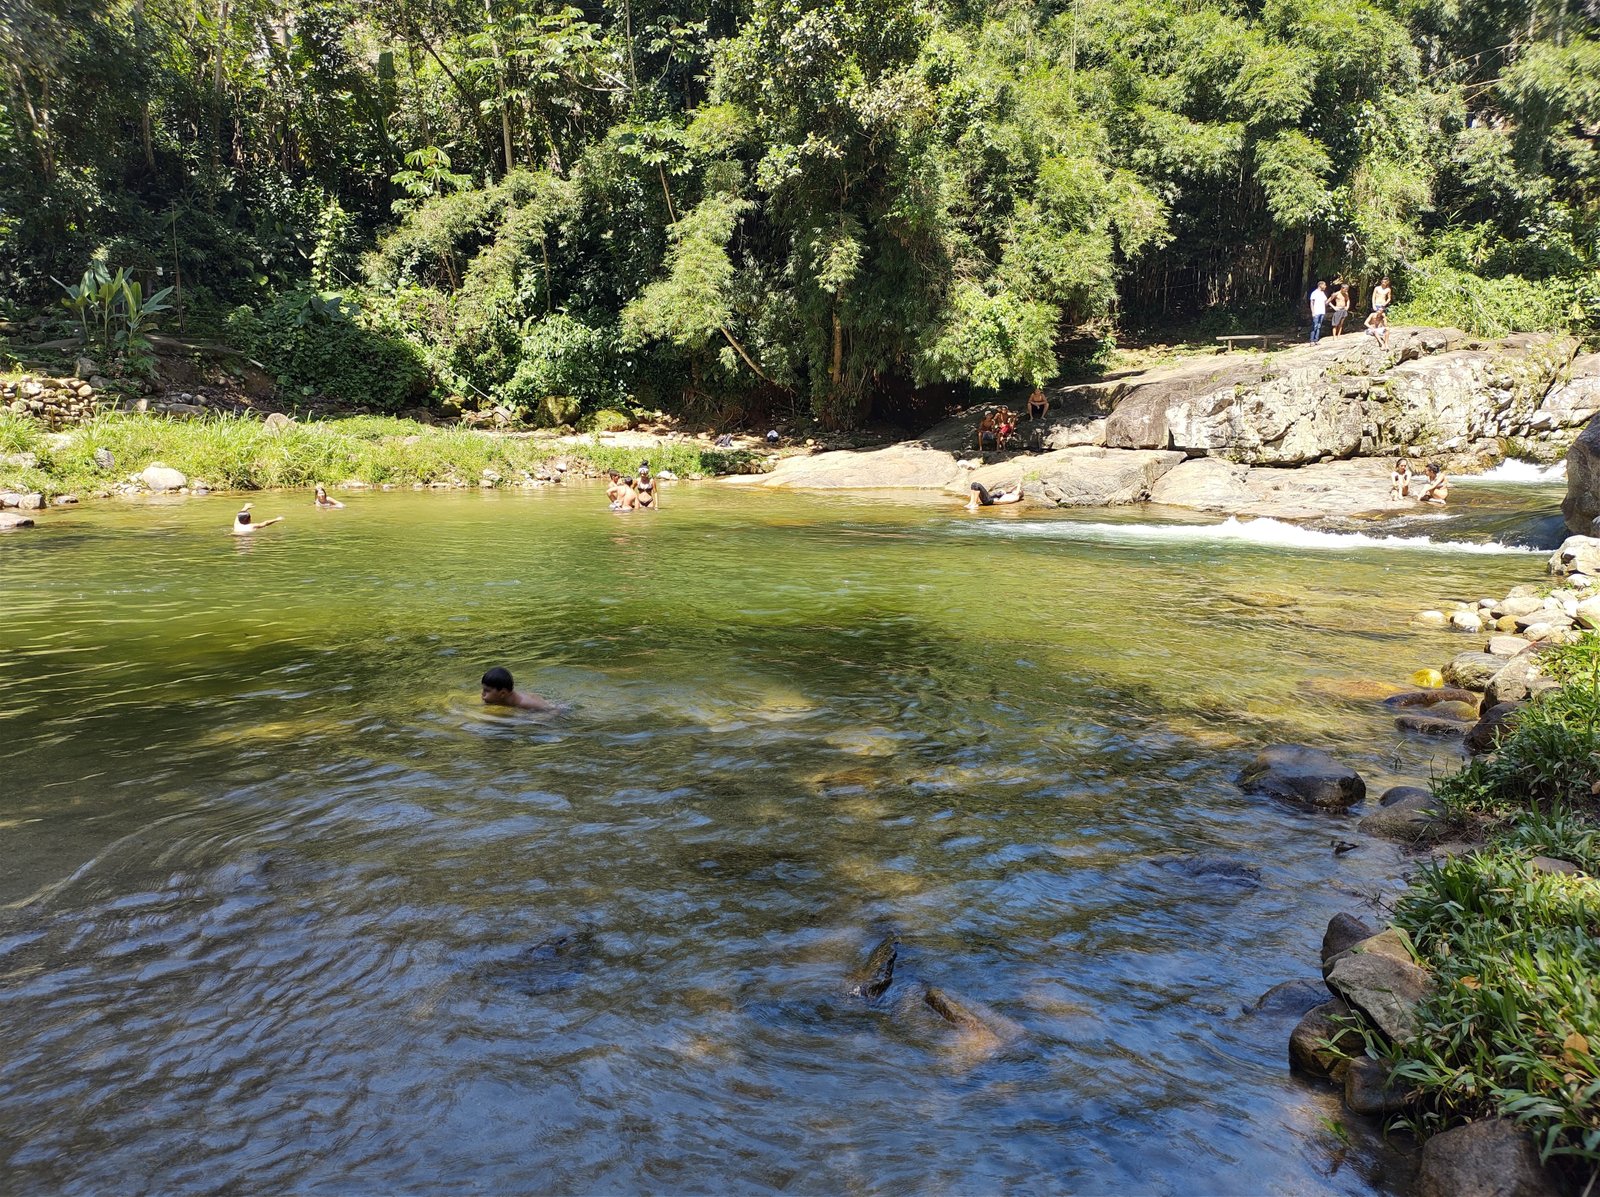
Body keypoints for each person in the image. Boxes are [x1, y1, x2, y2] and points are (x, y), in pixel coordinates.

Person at [480, 666, 559, 712]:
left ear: (502, 693)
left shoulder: (525, 704)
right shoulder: (500, 698)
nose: (482, 694)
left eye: (486, 691)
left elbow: (554, 710)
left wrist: (538, 719)